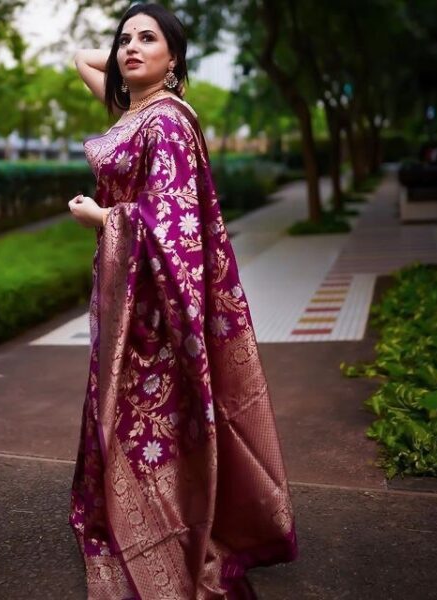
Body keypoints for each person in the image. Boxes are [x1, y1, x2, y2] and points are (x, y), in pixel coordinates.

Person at [68, 3, 298, 598]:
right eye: (123, 39)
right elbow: (80, 59)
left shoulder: (166, 120)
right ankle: (143, 514)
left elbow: (172, 224)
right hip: (127, 292)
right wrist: (132, 54)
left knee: (153, 419)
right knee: (125, 413)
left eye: (147, 39)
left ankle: (168, 528)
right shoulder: (135, 111)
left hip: (156, 306)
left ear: (175, 58)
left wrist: (103, 219)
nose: (128, 47)